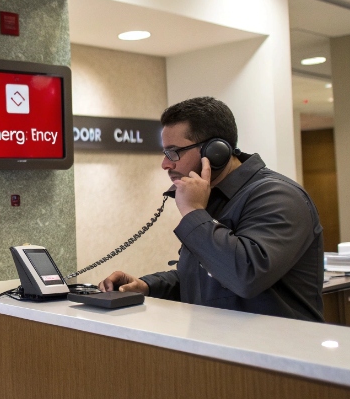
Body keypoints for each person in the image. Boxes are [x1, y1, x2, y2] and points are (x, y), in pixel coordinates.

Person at [98, 97, 324, 322]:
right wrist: (147, 286)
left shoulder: (279, 196)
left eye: (174, 152)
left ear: (215, 150)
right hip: (214, 341)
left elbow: (245, 276)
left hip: (273, 343)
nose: (166, 164)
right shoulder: (210, 197)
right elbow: (206, 278)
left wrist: (193, 212)